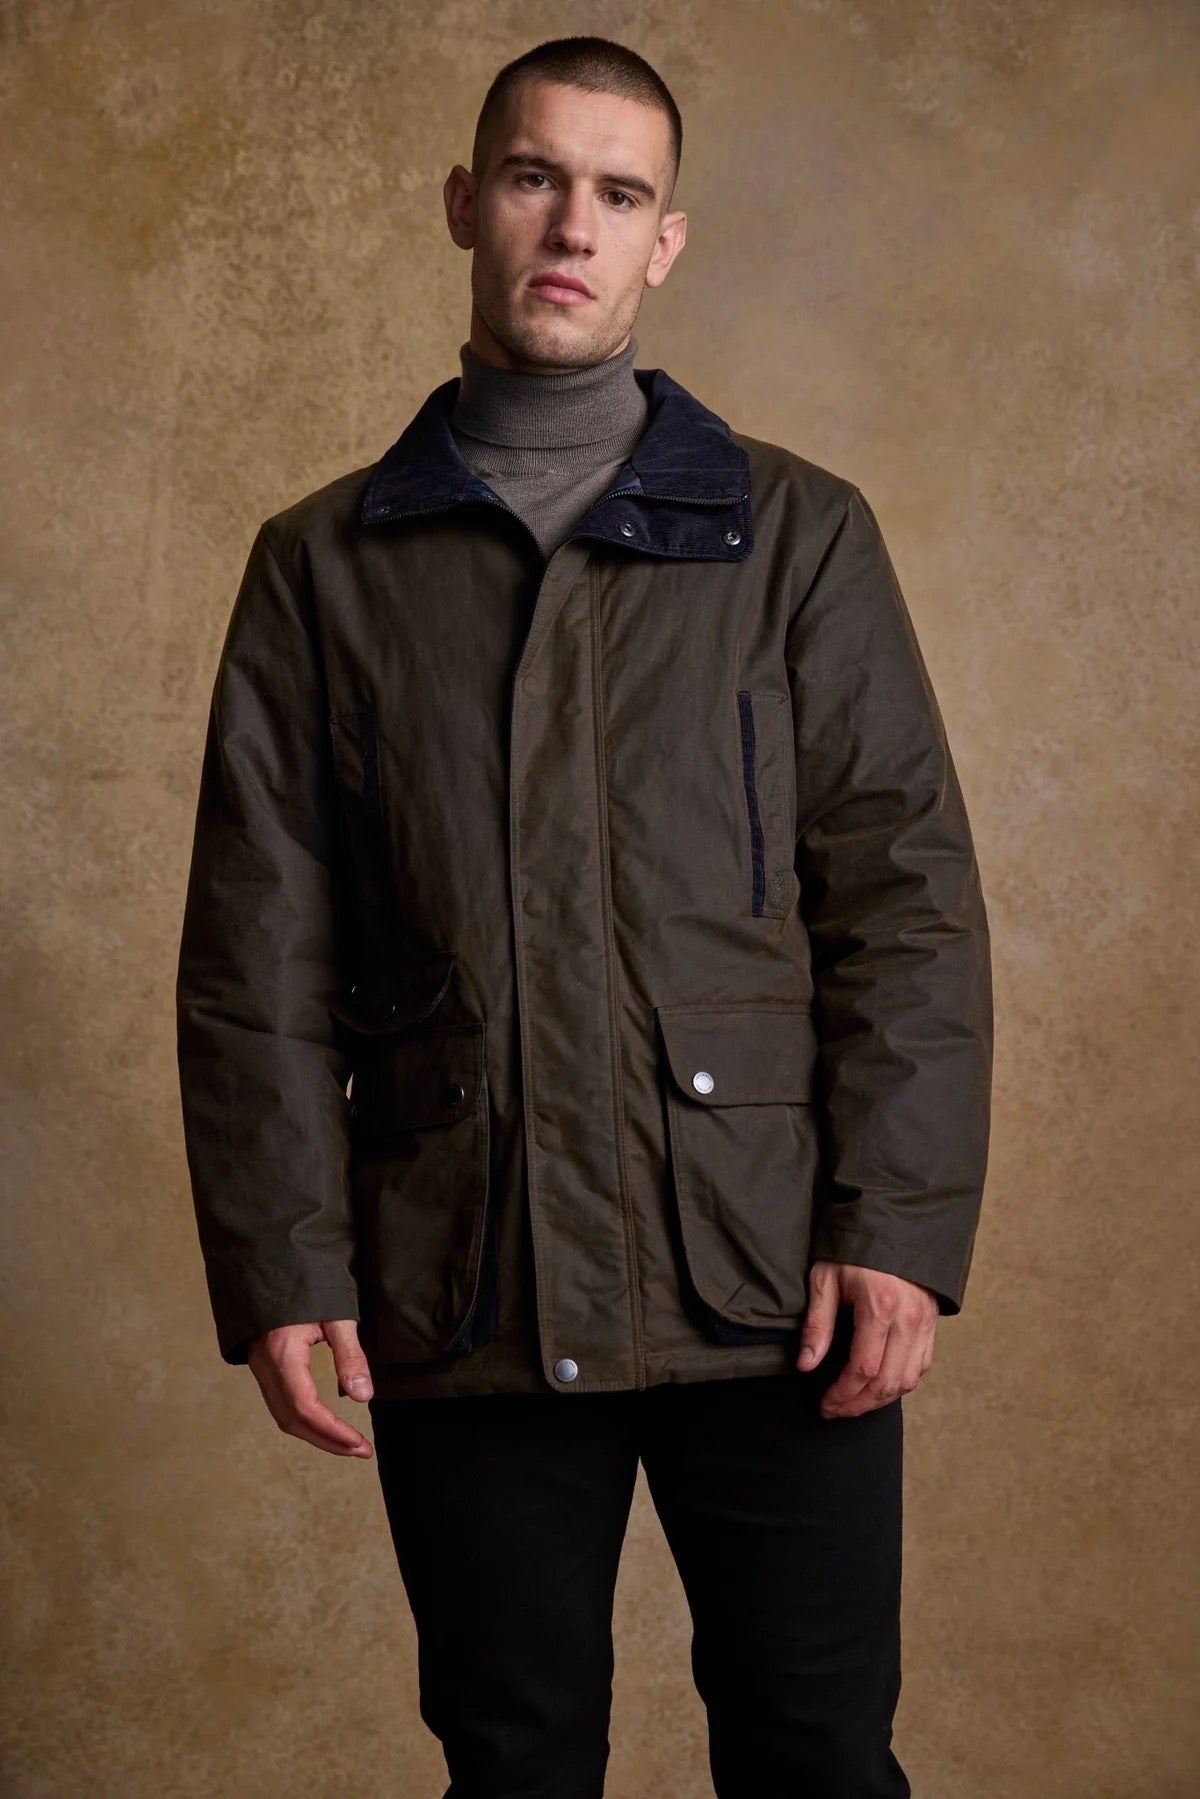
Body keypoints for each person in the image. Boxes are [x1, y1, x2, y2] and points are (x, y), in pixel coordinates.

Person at [175, 32, 993, 1799]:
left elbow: (906, 902)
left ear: (664, 242)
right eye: (537, 178)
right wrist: (284, 1266)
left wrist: (901, 1226)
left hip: (775, 1284)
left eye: (620, 194)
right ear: (467, 203)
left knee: (819, 1757)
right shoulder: (321, 566)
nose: (573, 224)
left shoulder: (799, 535)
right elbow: (256, 958)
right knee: (514, 1764)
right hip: (463, 1283)